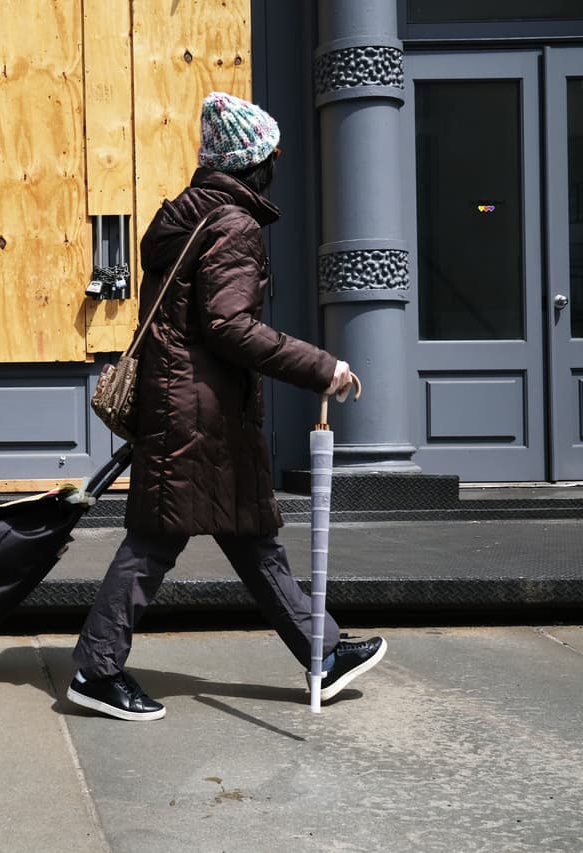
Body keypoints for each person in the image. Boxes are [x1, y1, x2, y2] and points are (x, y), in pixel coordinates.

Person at [67, 92, 387, 722]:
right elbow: (228, 325)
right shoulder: (234, 225)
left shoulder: (188, 216)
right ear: (254, 161)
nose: (277, 164)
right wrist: (321, 367)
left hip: (188, 405)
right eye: (273, 154)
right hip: (200, 414)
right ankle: (95, 671)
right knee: (155, 541)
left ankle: (321, 651)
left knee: (251, 534)